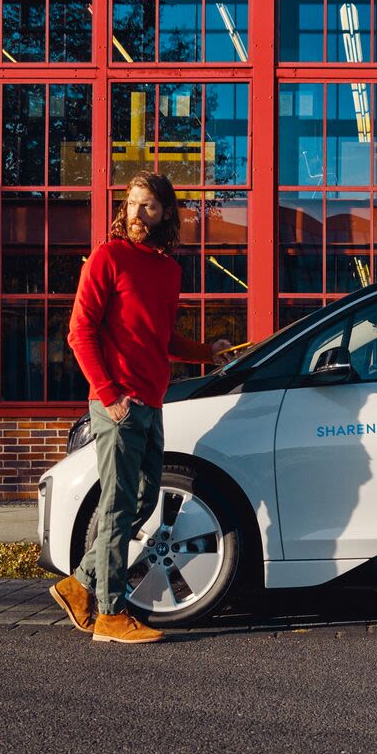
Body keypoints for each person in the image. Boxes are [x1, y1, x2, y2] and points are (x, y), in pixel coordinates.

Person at [50, 172, 228, 644]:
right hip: (118, 403)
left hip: (151, 400)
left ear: (166, 212)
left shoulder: (168, 271)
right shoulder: (108, 257)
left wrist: (206, 352)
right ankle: (110, 614)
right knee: (116, 506)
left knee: (144, 500)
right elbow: (80, 333)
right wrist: (109, 395)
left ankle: (79, 585)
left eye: (147, 205)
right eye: (130, 203)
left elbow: (161, 338)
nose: (135, 213)